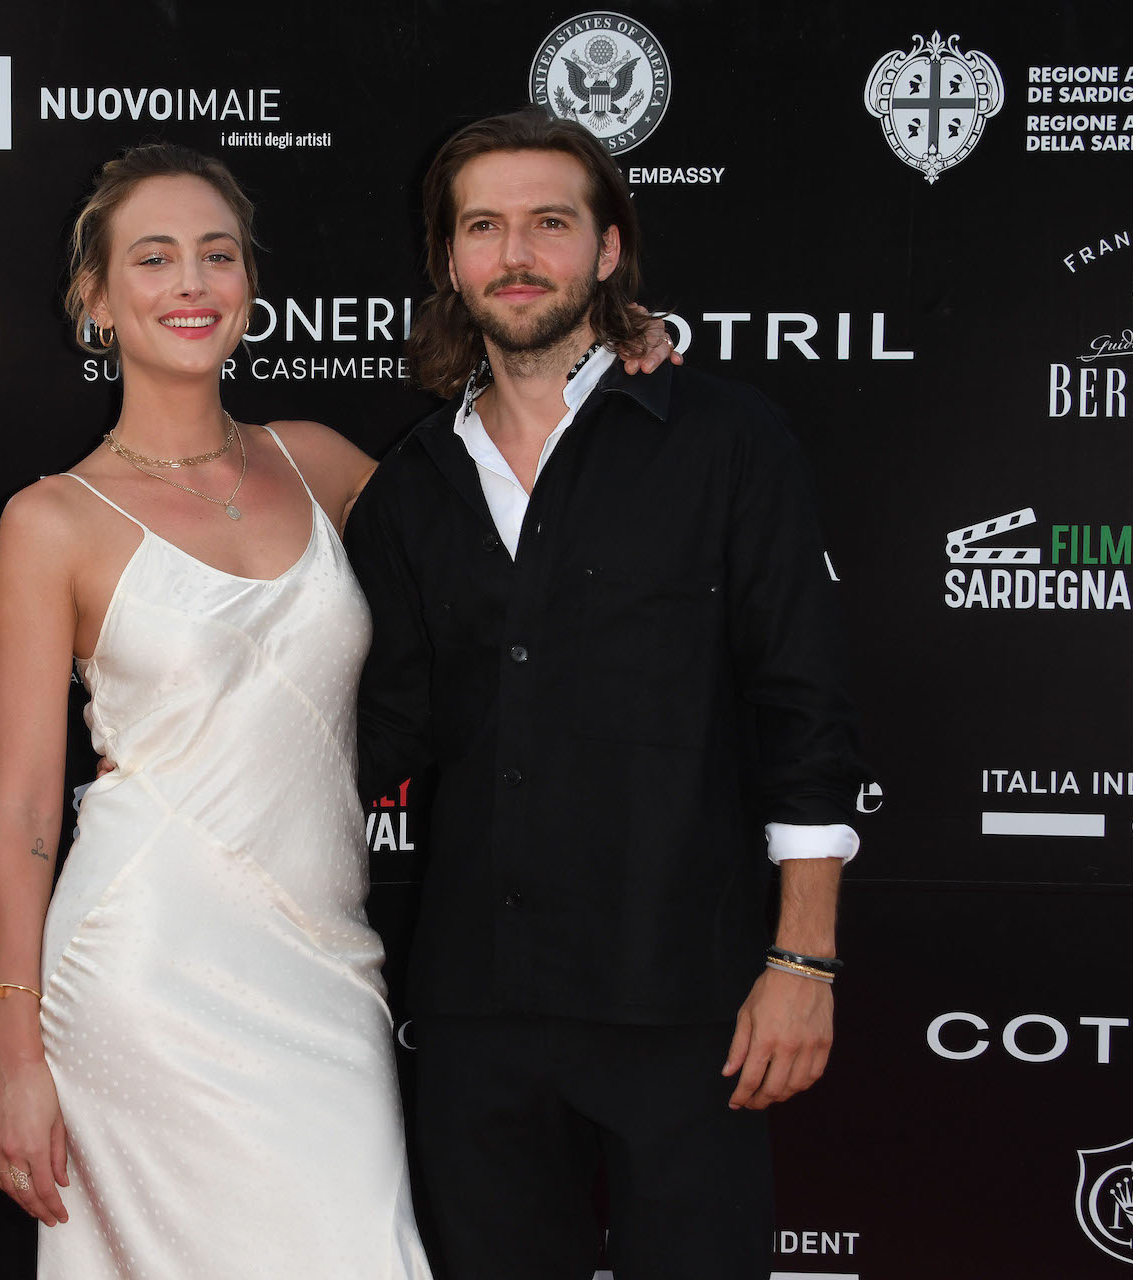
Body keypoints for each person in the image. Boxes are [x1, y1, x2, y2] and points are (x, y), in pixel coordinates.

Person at [344, 109, 871, 1280]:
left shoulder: (726, 439)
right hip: (478, 1011)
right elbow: (379, 729)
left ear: (608, 247)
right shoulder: (415, 484)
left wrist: (804, 960)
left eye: (550, 222)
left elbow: (804, 705)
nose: (516, 253)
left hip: (685, 998)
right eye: (484, 227)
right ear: (447, 261)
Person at [0, 143, 430, 1279]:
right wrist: (17, 1054)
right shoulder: (51, 520)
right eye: (154, 257)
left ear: (250, 285)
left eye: (217, 255)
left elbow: (503, 528)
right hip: (146, 965)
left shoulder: (320, 464)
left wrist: (587, 365)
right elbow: (25, 809)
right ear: (95, 298)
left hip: (327, 963)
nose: (191, 282)